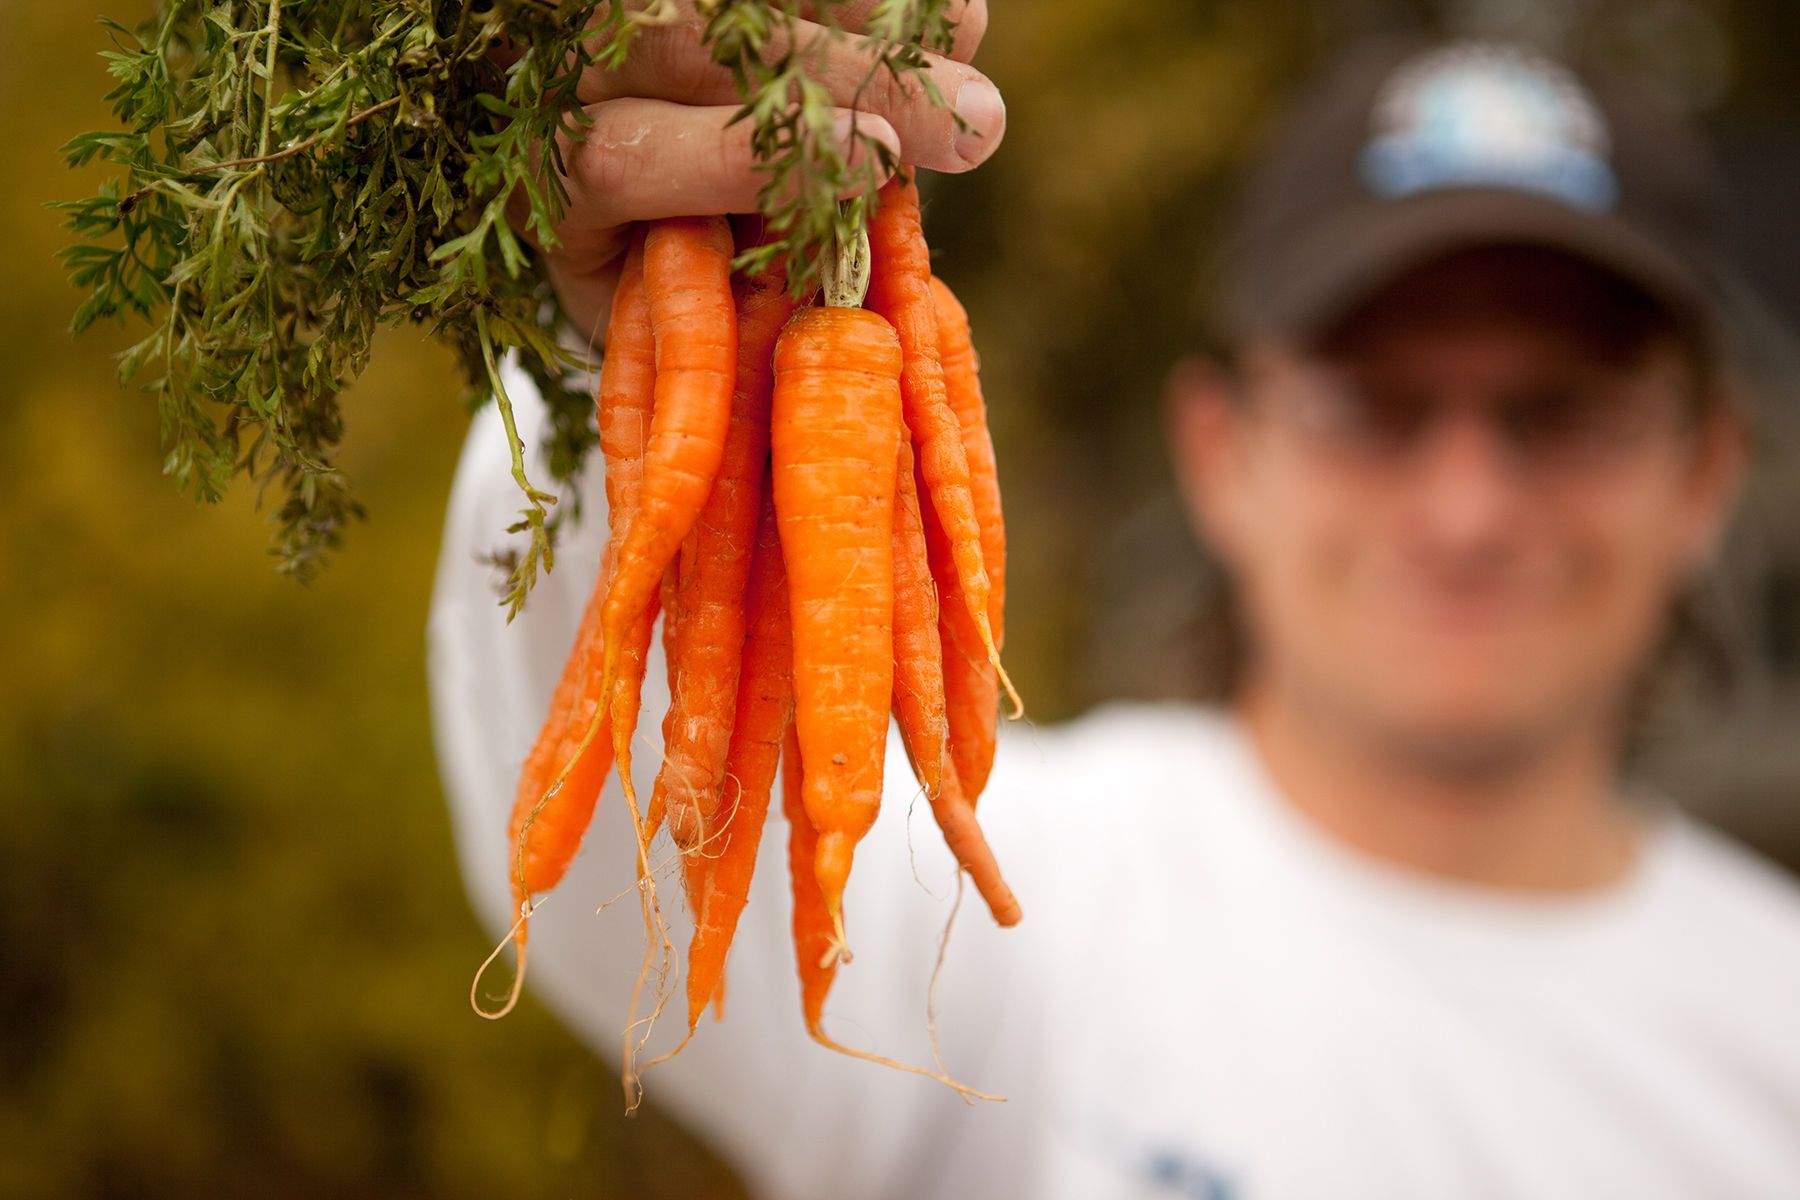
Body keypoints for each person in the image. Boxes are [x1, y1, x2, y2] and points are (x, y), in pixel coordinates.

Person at [429, 14, 1800, 1199]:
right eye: (1375, 408)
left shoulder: (1773, 1029)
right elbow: (622, 862)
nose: (1467, 509)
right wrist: (632, 359)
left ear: (1704, 475)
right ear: (1221, 452)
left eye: (1560, 415)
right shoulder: (1018, 905)